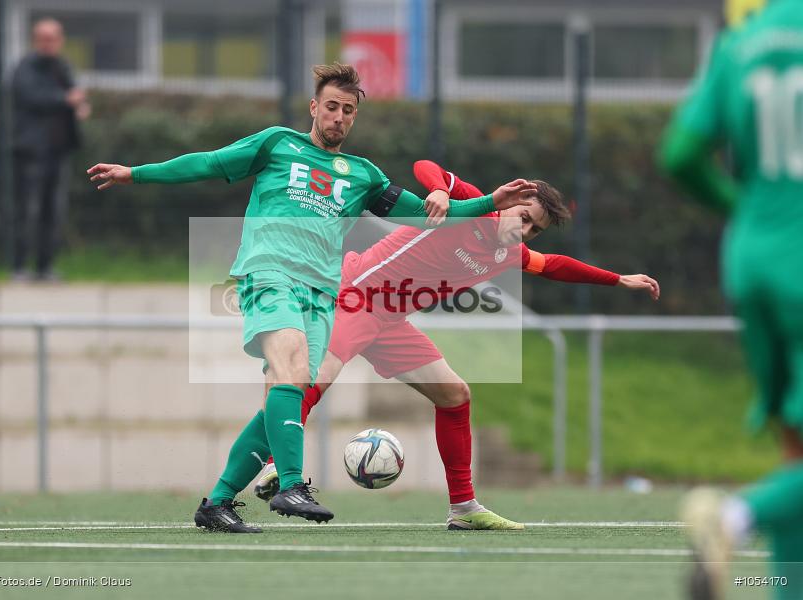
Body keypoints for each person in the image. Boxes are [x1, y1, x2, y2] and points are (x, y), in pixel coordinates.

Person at [87, 63, 539, 533]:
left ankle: (217, 502)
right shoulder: (277, 143)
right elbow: (207, 163)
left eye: (348, 110)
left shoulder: (364, 175)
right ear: (313, 108)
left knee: (285, 395)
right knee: (292, 369)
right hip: (270, 273)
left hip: (322, 292)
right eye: (331, 107)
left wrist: (491, 201)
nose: (339, 117)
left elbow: (431, 216)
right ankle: (289, 483)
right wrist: (135, 174)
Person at [252, 159, 660, 530]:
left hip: (390, 321)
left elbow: (553, 265)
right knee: (316, 379)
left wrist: (617, 279)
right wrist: (442, 193)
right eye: (524, 217)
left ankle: (463, 508)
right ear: (509, 201)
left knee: (454, 395)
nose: (526, 231)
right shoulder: (474, 206)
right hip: (356, 296)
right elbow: (425, 166)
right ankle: (276, 468)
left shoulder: (511, 252)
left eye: (535, 228)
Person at [659, 0, 803, 598]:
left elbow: (679, 155)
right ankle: (735, 517)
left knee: (796, 450)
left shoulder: (741, 43)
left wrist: (743, 209)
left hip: (752, 257)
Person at [11, 17, 90, 281]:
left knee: (53, 211)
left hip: (59, 151)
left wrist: (79, 106)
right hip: (33, 151)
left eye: (53, 38)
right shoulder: (26, 67)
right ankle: (19, 267)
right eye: (44, 38)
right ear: (35, 40)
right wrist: (65, 99)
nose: (49, 43)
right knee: (28, 209)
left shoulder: (63, 67)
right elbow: (30, 96)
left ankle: (44, 267)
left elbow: (74, 95)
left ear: (61, 40)